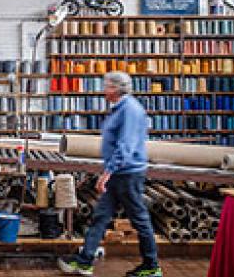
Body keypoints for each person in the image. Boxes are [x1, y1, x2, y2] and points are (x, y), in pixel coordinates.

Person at [57, 71, 162, 277]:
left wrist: (108, 172)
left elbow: (126, 146)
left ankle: (151, 266)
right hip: (119, 173)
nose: (104, 90)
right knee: (101, 216)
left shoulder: (130, 110)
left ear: (116, 88)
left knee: (139, 219)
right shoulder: (118, 109)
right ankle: (85, 260)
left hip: (128, 174)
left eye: (106, 86)